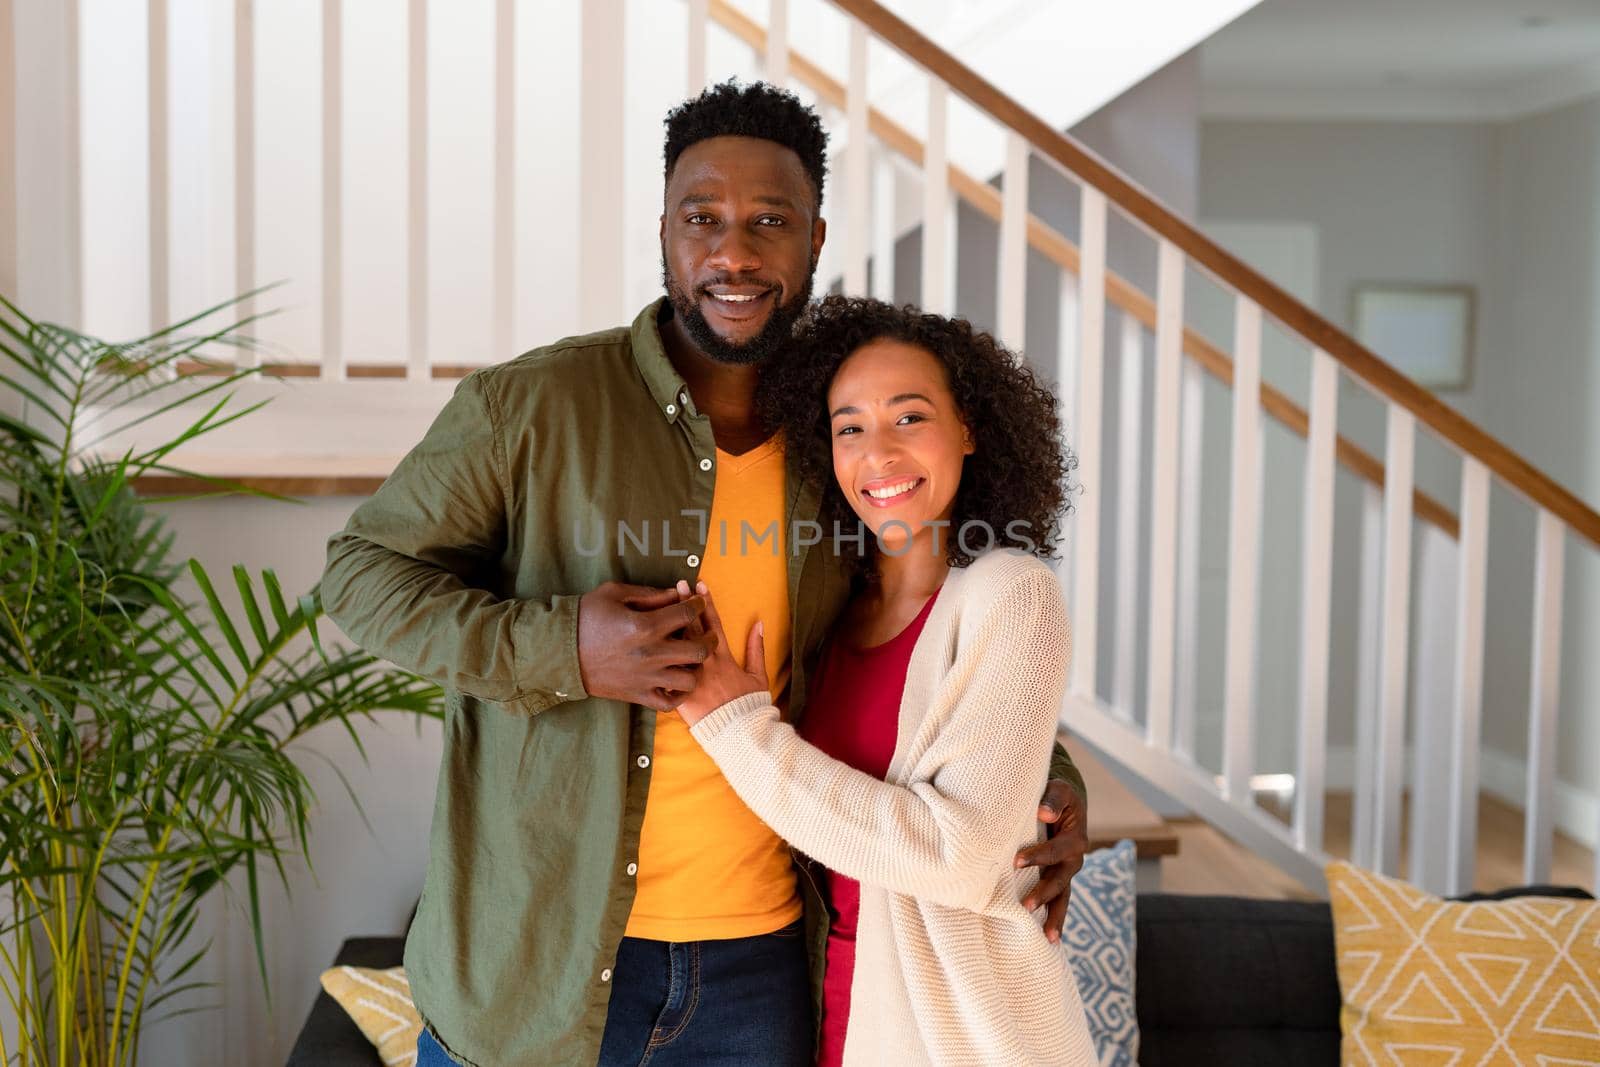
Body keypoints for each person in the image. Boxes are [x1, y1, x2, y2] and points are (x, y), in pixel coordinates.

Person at [321, 81, 1088, 1067]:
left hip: (760, 973)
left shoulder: (836, 438)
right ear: (664, 233)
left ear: (815, 238)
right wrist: (569, 648)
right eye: (703, 220)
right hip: (540, 968)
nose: (733, 253)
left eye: (769, 220)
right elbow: (361, 573)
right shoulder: (537, 403)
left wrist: (1043, 779)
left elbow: (909, 645)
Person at [673, 296, 1096, 1066]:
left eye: (909, 418)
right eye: (850, 428)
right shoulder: (836, 612)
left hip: (964, 1034)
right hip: (831, 1003)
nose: (880, 454)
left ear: (966, 427)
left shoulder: (1012, 594)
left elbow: (959, 855)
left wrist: (737, 728)